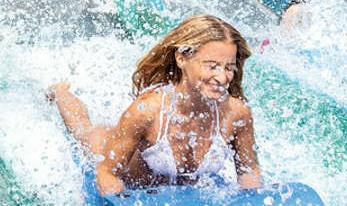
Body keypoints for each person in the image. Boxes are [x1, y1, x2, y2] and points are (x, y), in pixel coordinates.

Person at [48, 14, 262, 196]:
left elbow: (248, 171)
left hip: (174, 193)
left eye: (229, 68)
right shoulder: (147, 111)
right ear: (182, 59)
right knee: (83, 130)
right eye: (212, 66)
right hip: (111, 155)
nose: (222, 77)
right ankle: (60, 92)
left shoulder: (236, 113)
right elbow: (107, 173)